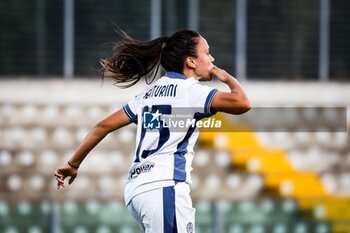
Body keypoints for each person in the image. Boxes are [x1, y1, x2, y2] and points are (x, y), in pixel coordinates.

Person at [54, 29, 251, 233]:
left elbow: (102, 126)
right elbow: (243, 102)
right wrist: (226, 77)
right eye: (207, 53)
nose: (212, 58)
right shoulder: (191, 91)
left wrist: (73, 164)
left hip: (136, 190)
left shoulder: (148, 94)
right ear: (191, 61)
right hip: (164, 187)